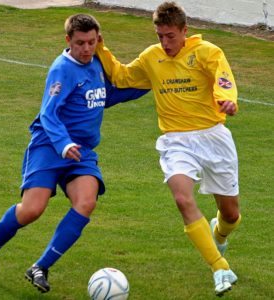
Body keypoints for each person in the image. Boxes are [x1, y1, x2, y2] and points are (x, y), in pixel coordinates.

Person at [0, 14, 148, 293]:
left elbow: (106, 96)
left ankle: (40, 267)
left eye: (92, 42)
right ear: (68, 40)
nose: (86, 49)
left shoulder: (97, 63)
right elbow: (48, 113)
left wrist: (148, 85)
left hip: (80, 151)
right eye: (80, 43)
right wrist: (63, 144)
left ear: (98, 40)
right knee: (32, 209)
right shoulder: (62, 69)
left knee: (86, 202)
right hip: (49, 144)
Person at [95, 1, 241, 296]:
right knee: (182, 199)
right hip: (175, 141)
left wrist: (227, 99)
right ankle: (220, 266)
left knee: (231, 214)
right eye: (160, 35)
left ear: (185, 31)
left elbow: (223, 79)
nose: (164, 42)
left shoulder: (208, 52)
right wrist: (101, 48)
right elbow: (122, 76)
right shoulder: (152, 57)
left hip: (213, 137)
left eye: (170, 36)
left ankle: (219, 232)